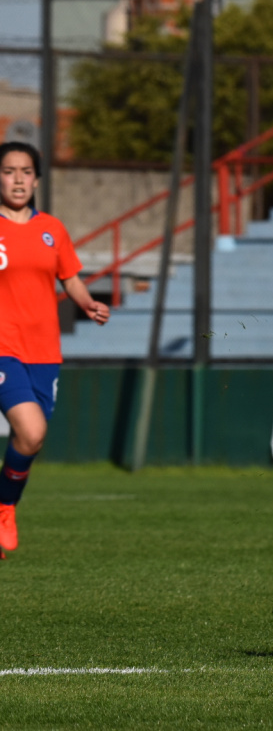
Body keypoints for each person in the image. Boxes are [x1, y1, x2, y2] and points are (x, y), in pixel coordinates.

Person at [0, 141, 110, 557]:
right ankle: (5, 508)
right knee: (30, 429)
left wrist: (88, 303)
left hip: (44, 351)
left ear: (36, 180)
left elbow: (71, 278)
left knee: (32, 440)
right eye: (8, 171)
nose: (17, 180)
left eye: (25, 172)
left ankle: (4, 504)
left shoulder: (53, 229)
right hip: (3, 347)